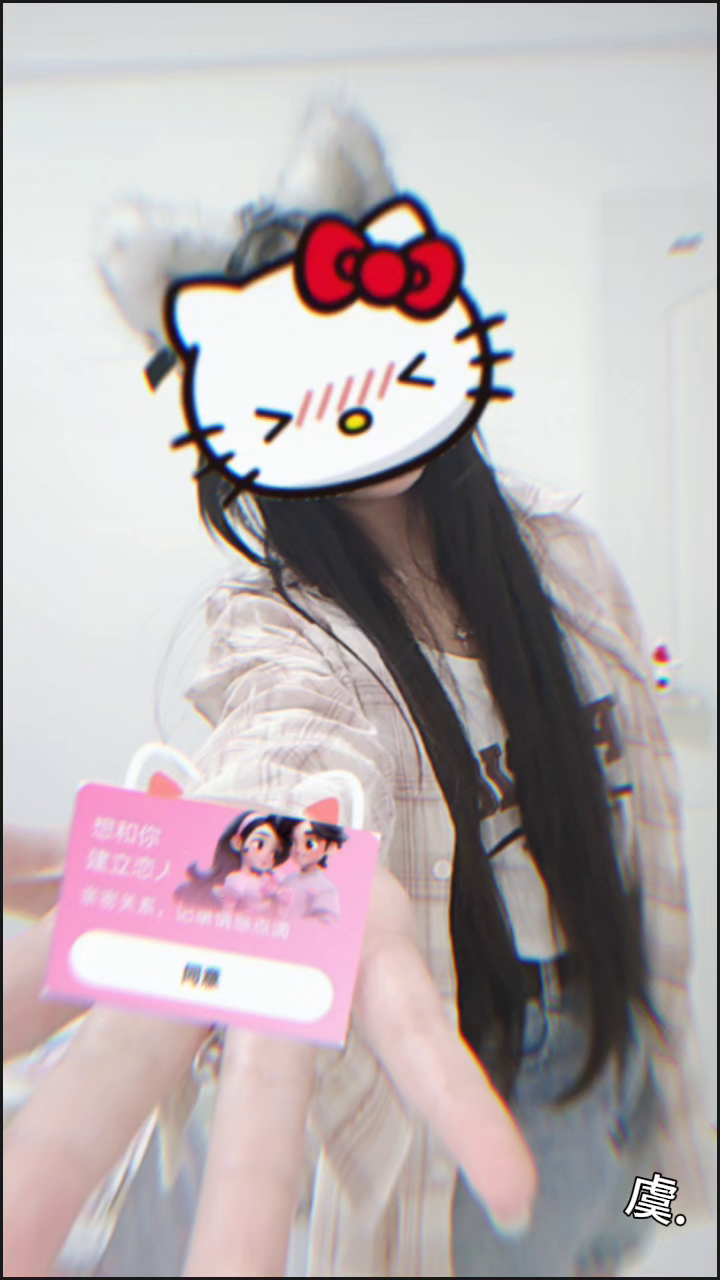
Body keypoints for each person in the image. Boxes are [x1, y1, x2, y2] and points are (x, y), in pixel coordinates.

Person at [3, 104, 714, 1278]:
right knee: (517, 1236)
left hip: (612, 1032)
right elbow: (279, 758)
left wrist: (659, 1080)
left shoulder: (568, 564)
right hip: (470, 1052)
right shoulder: (278, 627)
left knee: (636, 1219)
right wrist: (229, 877)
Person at [173, 810, 294, 913]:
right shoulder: (234, 880)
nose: (268, 855)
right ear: (238, 843)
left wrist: (278, 900)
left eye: (276, 851)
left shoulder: (273, 881)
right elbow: (229, 909)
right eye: (259, 844)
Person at [281, 819, 348, 924]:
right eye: (293, 842)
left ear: (331, 847)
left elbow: (326, 923)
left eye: (310, 843)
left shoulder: (326, 889)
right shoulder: (288, 879)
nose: (298, 849)